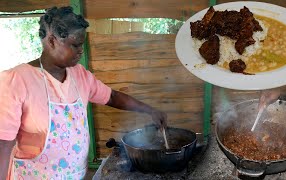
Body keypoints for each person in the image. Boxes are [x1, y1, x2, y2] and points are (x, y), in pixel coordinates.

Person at [0, 6, 167, 179]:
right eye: (75, 45)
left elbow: (112, 97)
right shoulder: (16, 81)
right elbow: (3, 145)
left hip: (76, 175)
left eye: (82, 44)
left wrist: (150, 110)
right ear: (52, 41)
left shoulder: (79, 75)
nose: (81, 50)